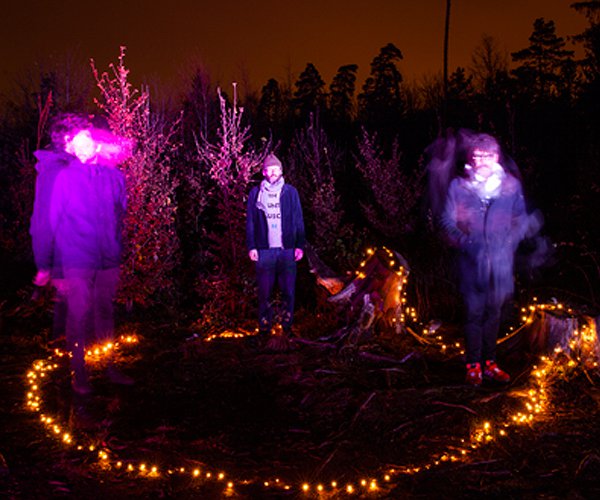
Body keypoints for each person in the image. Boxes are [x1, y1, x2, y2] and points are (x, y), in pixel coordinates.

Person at [31, 117, 131, 394]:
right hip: (77, 259)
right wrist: (46, 264)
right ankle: (80, 374)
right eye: (78, 142)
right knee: (78, 315)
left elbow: (119, 213)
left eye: (89, 140)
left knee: (105, 312)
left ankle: (109, 366)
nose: (85, 146)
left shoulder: (113, 177)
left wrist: (114, 243)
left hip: (107, 258)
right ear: (71, 147)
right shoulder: (64, 177)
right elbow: (50, 220)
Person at [439, 132, 536, 386]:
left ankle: (490, 362)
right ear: (471, 157)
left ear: (496, 157)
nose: (482, 160)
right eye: (477, 155)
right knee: (473, 313)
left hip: (500, 264)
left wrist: (509, 242)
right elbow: (446, 222)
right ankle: (473, 365)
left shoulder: (510, 187)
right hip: (471, 264)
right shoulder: (459, 187)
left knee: (494, 313)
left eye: (488, 155)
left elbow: (521, 218)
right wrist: (467, 243)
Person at [246, 153, 305, 340]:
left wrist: (299, 245)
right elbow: (251, 222)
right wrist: (252, 246)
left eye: (275, 169)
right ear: (264, 172)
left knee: (288, 290)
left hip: (287, 250)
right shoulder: (256, 193)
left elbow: (298, 220)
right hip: (264, 251)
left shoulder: (290, 192)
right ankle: (264, 328)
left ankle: (287, 327)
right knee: (264, 292)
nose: (272, 172)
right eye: (268, 169)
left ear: (280, 171)